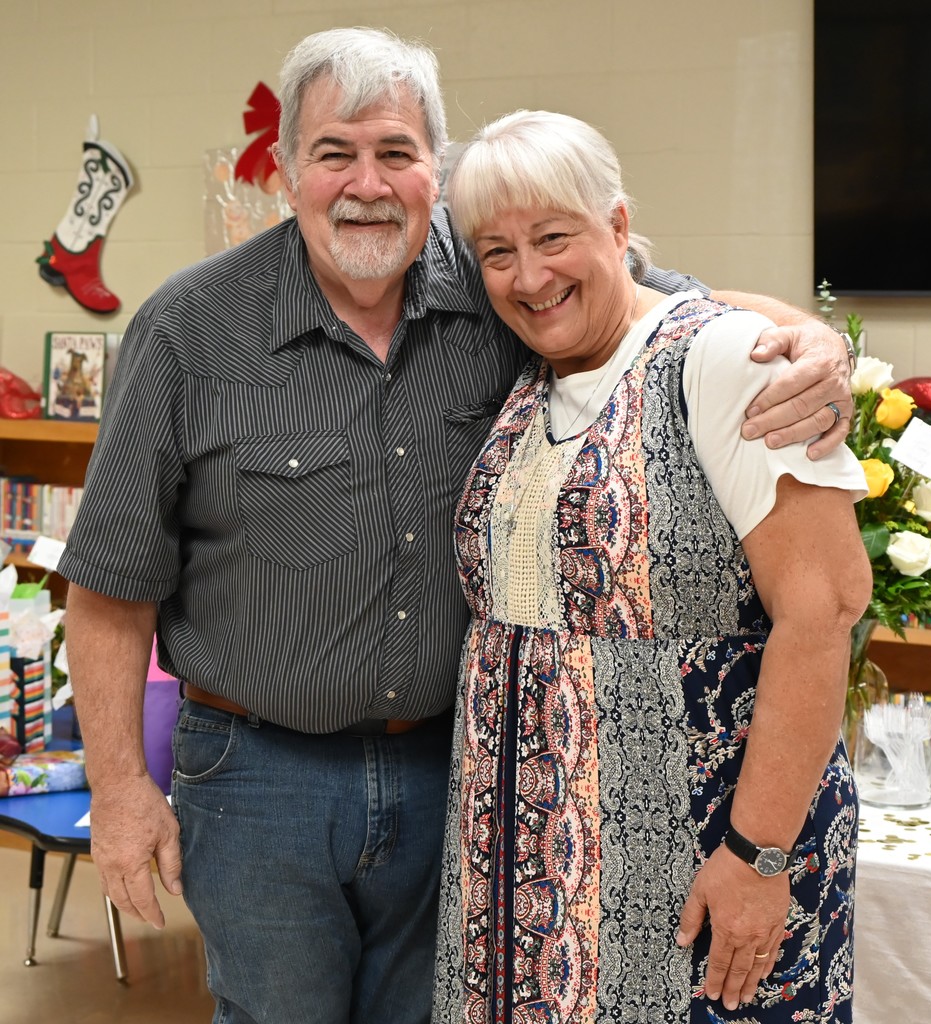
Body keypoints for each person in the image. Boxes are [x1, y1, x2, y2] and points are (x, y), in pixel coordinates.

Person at [58, 28, 857, 1024]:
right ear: (286, 170)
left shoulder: (495, 286)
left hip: (463, 776)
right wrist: (122, 787)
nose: (365, 182)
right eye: (333, 152)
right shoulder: (188, 330)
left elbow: (664, 308)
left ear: (434, 166)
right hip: (259, 779)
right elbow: (106, 583)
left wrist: (817, 341)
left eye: (395, 152)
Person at [431, 109, 872, 1023]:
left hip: (700, 863)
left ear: (620, 228)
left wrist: (758, 858)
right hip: (524, 880)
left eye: (555, 239)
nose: (529, 275)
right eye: (498, 252)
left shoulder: (721, 357)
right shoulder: (530, 379)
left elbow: (825, 609)